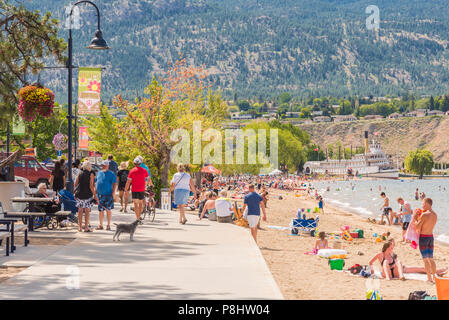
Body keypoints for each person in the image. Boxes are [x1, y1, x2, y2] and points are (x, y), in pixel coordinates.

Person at [414, 198, 438, 283]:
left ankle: (429, 278)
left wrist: (415, 217)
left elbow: (417, 227)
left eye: (423, 203)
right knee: (431, 258)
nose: (422, 205)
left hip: (424, 237)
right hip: (431, 237)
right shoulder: (435, 215)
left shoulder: (424, 215)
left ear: (427, 204)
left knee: (425, 259)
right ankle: (435, 278)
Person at [74, 160, 97, 232]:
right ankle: (86, 227)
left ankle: (80, 227)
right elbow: (91, 186)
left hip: (79, 194)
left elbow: (75, 184)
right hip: (88, 194)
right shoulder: (91, 174)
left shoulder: (80, 173)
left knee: (80, 210)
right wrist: (95, 195)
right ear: (89, 167)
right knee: (87, 211)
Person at [125, 157, 150, 221]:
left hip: (134, 189)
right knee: (141, 203)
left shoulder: (132, 171)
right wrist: (150, 185)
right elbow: (148, 179)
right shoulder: (144, 170)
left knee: (135, 204)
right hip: (142, 189)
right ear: (140, 163)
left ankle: (137, 218)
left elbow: (128, 181)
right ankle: (139, 217)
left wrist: (126, 189)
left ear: (134, 163)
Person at [95, 160, 117, 231]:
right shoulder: (99, 173)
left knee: (108, 210)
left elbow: (114, 184)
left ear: (108, 166)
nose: (103, 166)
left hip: (108, 194)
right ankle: (101, 225)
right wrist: (95, 192)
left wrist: (113, 193)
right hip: (100, 195)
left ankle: (108, 225)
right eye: (103, 165)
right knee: (100, 210)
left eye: (105, 165)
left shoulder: (112, 173)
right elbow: (96, 182)